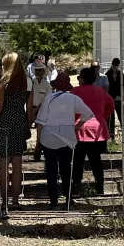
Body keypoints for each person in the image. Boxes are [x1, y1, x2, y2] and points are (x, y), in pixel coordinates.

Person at [35, 71, 95, 210]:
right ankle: (68, 199)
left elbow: (40, 122)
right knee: (66, 169)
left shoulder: (49, 98)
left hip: (48, 136)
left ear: (56, 85)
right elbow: (89, 113)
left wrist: (38, 141)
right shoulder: (73, 98)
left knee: (51, 170)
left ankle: (53, 201)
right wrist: (77, 126)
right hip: (67, 137)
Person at [0, 52, 30, 218]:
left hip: (4, 125)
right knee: (18, 163)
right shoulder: (24, 81)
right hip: (19, 123)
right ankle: (15, 201)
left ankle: (4, 201)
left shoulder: (4, 82)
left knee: (4, 165)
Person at [70, 65, 114, 200]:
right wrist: (102, 117)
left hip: (80, 129)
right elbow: (111, 103)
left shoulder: (75, 91)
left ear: (82, 79)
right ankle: (100, 187)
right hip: (98, 129)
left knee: (78, 160)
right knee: (96, 161)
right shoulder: (101, 92)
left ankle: (76, 186)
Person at [27, 61, 52, 161]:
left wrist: (35, 110)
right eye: (36, 70)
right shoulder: (31, 83)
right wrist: (30, 110)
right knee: (24, 128)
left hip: (41, 110)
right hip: (30, 108)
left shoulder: (47, 85)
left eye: (39, 70)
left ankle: (37, 151)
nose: (37, 72)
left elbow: (47, 100)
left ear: (43, 72)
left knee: (39, 132)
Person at [105, 58, 124, 139]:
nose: (115, 66)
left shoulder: (121, 74)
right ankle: (111, 136)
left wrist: (121, 96)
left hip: (119, 99)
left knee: (122, 117)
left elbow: (122, 87)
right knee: (111, 118)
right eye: (114, 64)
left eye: (116, 65)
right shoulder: (107, 74)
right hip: (111, 99)